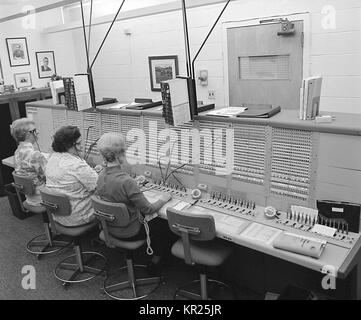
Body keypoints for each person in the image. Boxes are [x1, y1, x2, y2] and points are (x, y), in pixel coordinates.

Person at [96, 132, 173, 272]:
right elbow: (148, 209)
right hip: (131, 232)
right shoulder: (126, 181)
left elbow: (113, 193)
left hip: (109, 227)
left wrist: (134, 186)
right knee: (163, 225)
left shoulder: (101, 175)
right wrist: (164, 198)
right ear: (121, 155)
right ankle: (156, 262)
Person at [45, 126, 98, 226]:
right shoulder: (76, 164)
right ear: (70, 145)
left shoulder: (52, 158)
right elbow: (97, 186)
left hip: (57, 216)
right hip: (78, 217)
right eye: (78, 143)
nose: (81, 146)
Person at [10, 118, 47, 206]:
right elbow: (48, 177)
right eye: (34, 130)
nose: (37, 132)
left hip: (30, 198)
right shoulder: (35, 155)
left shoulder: (17, 152)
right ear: (27, 134)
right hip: (42, 199)